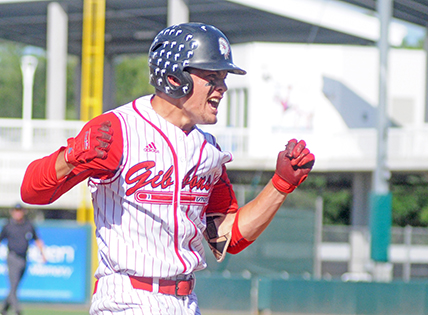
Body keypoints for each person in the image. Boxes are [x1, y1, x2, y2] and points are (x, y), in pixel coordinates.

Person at [20, 22, 315, 315]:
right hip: (125, 297)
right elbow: (32, 192)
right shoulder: (119, 129)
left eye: (223, 77)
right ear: (174, 78)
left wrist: (280, 185)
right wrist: (69, 156)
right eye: (212, 76)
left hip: (186, 301)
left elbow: (227, 238)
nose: (222, 88)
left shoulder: (208, 150)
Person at [0, 203, 47, 315]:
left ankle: (3, 311)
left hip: (23, 258)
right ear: (12, 212)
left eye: (20, 210)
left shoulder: (28, 225)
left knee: (14, 287)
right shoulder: (8, 225)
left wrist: (43, 254)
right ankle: (18, 311)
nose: (18, 213)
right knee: (14, 285)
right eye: (16, 210)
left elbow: (37, 240)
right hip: (12, 257)